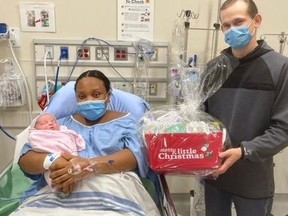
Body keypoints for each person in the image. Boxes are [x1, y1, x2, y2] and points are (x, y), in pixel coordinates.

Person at [12, 70, 161, 216]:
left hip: (112, 188)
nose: (88, 100)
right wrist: (52, 161)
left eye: (96, 95)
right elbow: (26, 159)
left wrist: (89, 165)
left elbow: (135, 156)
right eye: (82, 96)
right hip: (57, 192)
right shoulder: (59, 125)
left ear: (108, 96)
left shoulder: (127, 122)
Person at [204, 0, 288, 216]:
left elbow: (283, 129)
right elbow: (200, 119)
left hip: (253, 178)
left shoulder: (280, 68)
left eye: (239, 22)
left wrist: (244, 151)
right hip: (215, 174)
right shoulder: (214, 68)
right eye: (226, 25)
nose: (232, 29)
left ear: (256, 21)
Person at [28, 113, 85, 193]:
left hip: (72, 158)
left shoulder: (64, 132)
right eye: (44, 123)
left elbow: (71, 140)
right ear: (35, 128)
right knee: (55, 175)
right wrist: (54, 158)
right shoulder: (37, 135)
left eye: (54, 122)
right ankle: (59, 190)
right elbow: (36, 147)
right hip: (53, 160)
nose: (51, 123)